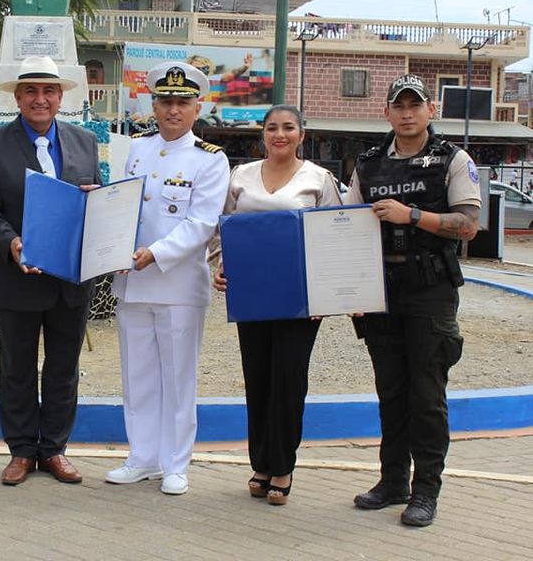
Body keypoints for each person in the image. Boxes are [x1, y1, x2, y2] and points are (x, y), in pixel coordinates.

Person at [345, 73, 481, 527]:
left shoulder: (453, 160)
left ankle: (425, 491)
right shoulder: (368, 165)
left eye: (415, 105)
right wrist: (352, 289)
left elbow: (468, 225)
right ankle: (392, 482)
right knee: (391, 392)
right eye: (399, 106)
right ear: (386, 112)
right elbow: (348, 229)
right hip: (382, 290)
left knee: (426, 396)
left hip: (430, 290)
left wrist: (413, 215)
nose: (407, 114)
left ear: (430, 110)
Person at [0, 56, 102, 486]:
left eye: (48, 91)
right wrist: (11, 242)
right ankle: (22, 451)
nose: (39, 99)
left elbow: (97, 199)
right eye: (31, 91)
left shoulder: (84, 141)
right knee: (17, 369)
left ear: (61, 97)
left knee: (64, 368)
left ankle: (55, 449)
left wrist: (97, 199)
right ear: (17, 98)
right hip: (18, 276)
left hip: (71, 280)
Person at [105, 62, 229, 496]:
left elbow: (202, 223)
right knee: (138, 375)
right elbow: (121, 206)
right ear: (153, 106)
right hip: (133, 281)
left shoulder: (210, 159)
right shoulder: (136, 150)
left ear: (197, 108)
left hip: (178, 284)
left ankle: (176, 463)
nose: (173, 109)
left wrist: (154, 254)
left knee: (177, 379)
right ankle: (142, 457)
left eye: (182, 102)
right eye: (166, 101)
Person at [212, 105, 342, 505]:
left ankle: (283, 466)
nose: (279, 134)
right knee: (258, 377)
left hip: (299, 298)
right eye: (272, 128)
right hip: (252, 294)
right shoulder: (240, 175)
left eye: (288, 127)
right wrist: (221, 265)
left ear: (302, 134)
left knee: (288, 379)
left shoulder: (318, 179)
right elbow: (221, 227)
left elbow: (335, 234)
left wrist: (326, 291)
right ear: (263, 135)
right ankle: (261, 463)